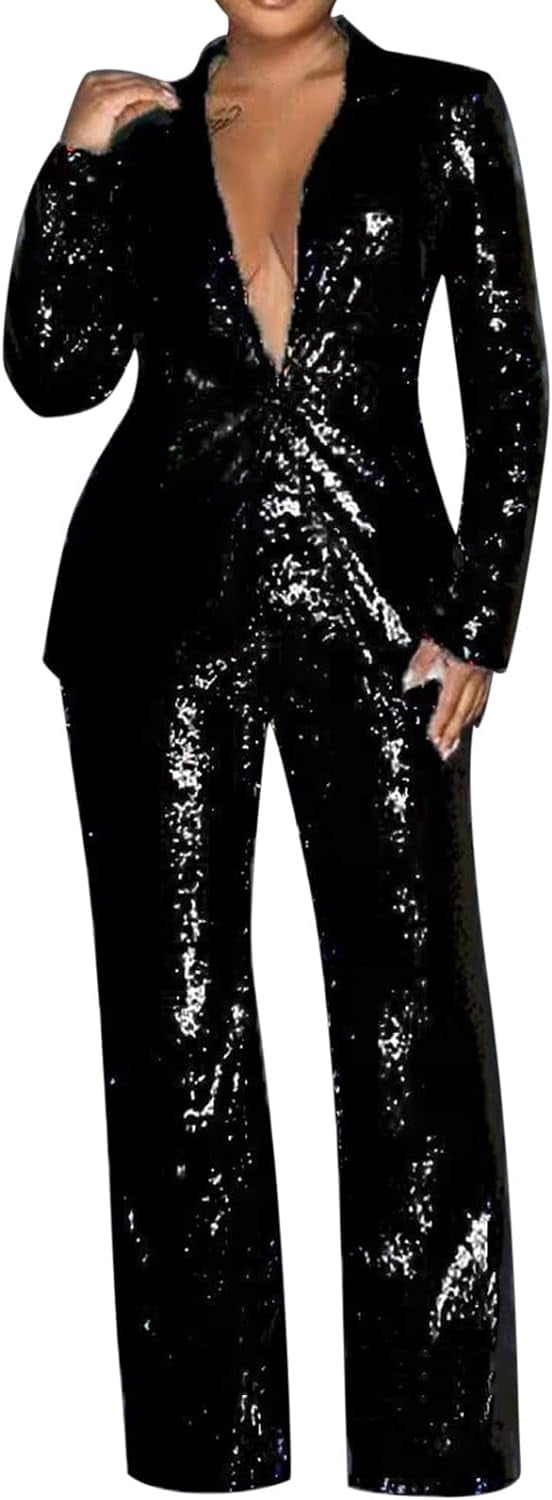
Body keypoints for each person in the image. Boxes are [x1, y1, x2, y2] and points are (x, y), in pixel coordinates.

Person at [2, 2, 548, 1492]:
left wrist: (477, 619)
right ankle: (208, 1441)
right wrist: (72, 161)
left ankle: (435, 1441)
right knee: (173, 1023)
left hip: (382, 612)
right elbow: (55, 370)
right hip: (151, 621)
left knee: (412, 1012)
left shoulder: (444, 110)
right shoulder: (145, 138)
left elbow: (509, 384)